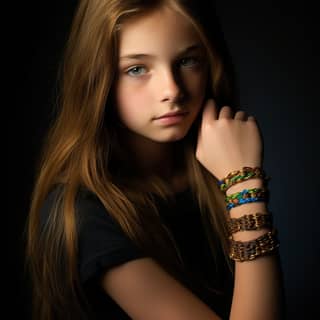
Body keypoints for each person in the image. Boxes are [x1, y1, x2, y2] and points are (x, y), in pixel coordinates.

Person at [26, 0, 285, 319]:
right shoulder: (82, 216)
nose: (172, 90)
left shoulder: (212, 171)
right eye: (136, 69)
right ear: (97, 79)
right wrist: (245, 187)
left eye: (188, 60)